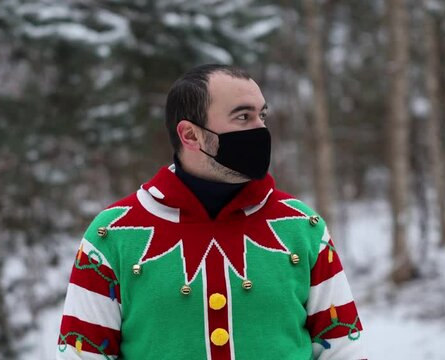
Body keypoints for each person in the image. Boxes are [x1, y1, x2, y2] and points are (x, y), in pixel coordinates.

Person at [57, 64, 366, 359]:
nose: (260, 129)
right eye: (243, 117)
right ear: (190, 135)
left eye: (263, 116)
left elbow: (343, 348)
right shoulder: (113, 234)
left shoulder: (301, 227)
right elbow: (81, 353)